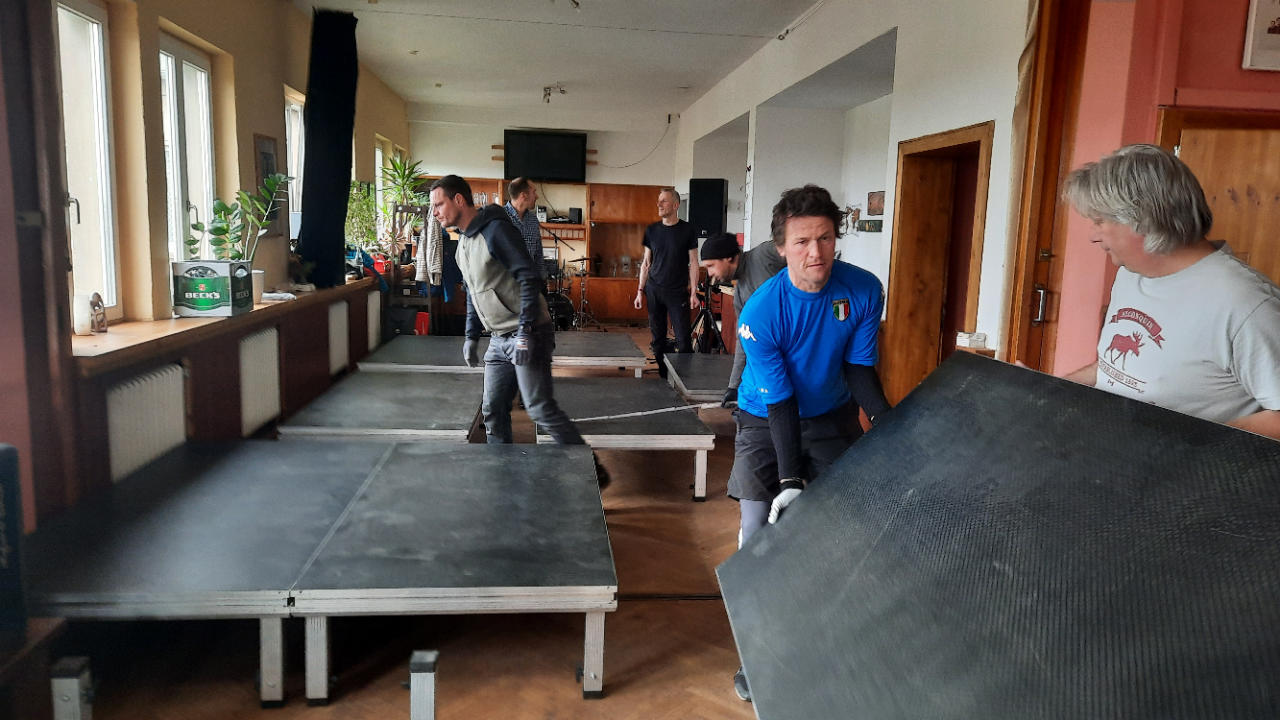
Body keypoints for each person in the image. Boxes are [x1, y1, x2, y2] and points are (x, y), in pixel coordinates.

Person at [728, 185, 892, 701]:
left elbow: (859, 369)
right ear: (781, 248)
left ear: (836, 238)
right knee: (759, 530)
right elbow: (780, 404)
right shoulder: (760, 313)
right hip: (764, 419)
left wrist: (890, 426)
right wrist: (789, 480)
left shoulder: (863, 290)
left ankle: (828, 636)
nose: (815, 252)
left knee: (843, 530)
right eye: (801, 242)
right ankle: (756, 653)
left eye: (824, 238)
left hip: (830, 415)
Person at [1061, 144, 1280, 441]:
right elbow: (1116, 369)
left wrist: (1188, 447)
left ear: (1142, 220)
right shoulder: (1130, 274)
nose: (1093, 236)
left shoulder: (1247, 304)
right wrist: (1049, 390)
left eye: (1100, 221)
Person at [428, 175, 584, 447]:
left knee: (539, 409)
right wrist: (471, 337)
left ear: (459, 200)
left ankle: (587, 465)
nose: (435, 212)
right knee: (493, 409)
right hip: (498, 339)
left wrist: (524, 332)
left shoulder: (496, 230)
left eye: (439, 204)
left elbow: (529, 277)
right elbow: (473, 293)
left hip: (530, 333)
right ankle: (501, 468)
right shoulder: (463, 243)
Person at [698, 231, 787, 409]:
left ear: (728, 258)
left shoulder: (765, 254)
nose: (710, 273)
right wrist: (734, 386)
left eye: (711, 266)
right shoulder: (739, 296)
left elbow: (801, 252)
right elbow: (744, 340)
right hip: (779, 361)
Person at [633, 188, 699, 378]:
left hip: (677, 292)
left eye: (664, 201)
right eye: (659, 200)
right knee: (658, 339)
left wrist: (694, 292)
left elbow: (694, 262)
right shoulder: (652, 230)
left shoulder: (688, 230)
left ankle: (684, 378)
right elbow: (646, 263)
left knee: (683, 339)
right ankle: (663, 377)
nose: (659, 204)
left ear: (675, 205)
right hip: (654, 290)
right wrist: (639, 291)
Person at [504, 177, 545, 278]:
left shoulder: (533, 220)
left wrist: (542, 279)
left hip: (529, 282)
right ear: (523, 196)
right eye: (534, 192)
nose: (537, 196)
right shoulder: (500, 218)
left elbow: (538, 255)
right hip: (506, 282)